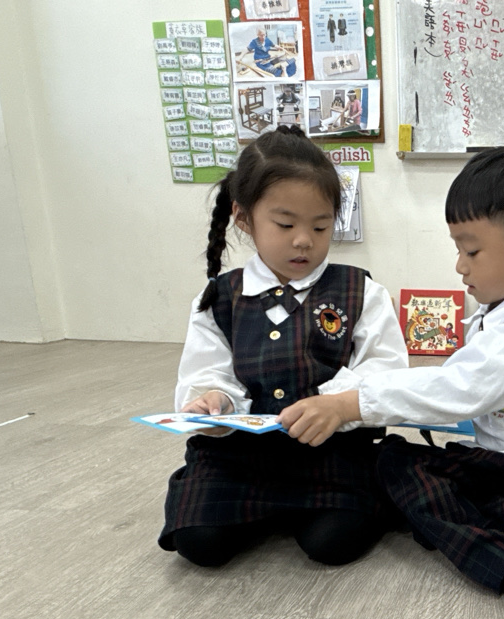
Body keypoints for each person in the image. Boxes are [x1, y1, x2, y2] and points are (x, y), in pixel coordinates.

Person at [279, 146, 504, 608]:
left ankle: (465, 526)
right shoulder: (489, 315)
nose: (460, 265)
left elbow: (459, 389)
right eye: (458, 249)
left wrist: (350, 402)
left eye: (471, 250)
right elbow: (450, 391)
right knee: (392, 461)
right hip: (493, 467)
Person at [160, 126, 408, 568]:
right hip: (239, 458)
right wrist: (214, 401)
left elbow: (385, 371)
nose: (304, 240)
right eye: (285, 224)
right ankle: (262, 509)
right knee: (198, 542)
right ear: (243, 218)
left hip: (329, 452)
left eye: (321, 225)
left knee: (334, 543)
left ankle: (304, 511)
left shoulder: (360, 292)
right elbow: (207, 372)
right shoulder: (219, 299)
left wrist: (336, 405)